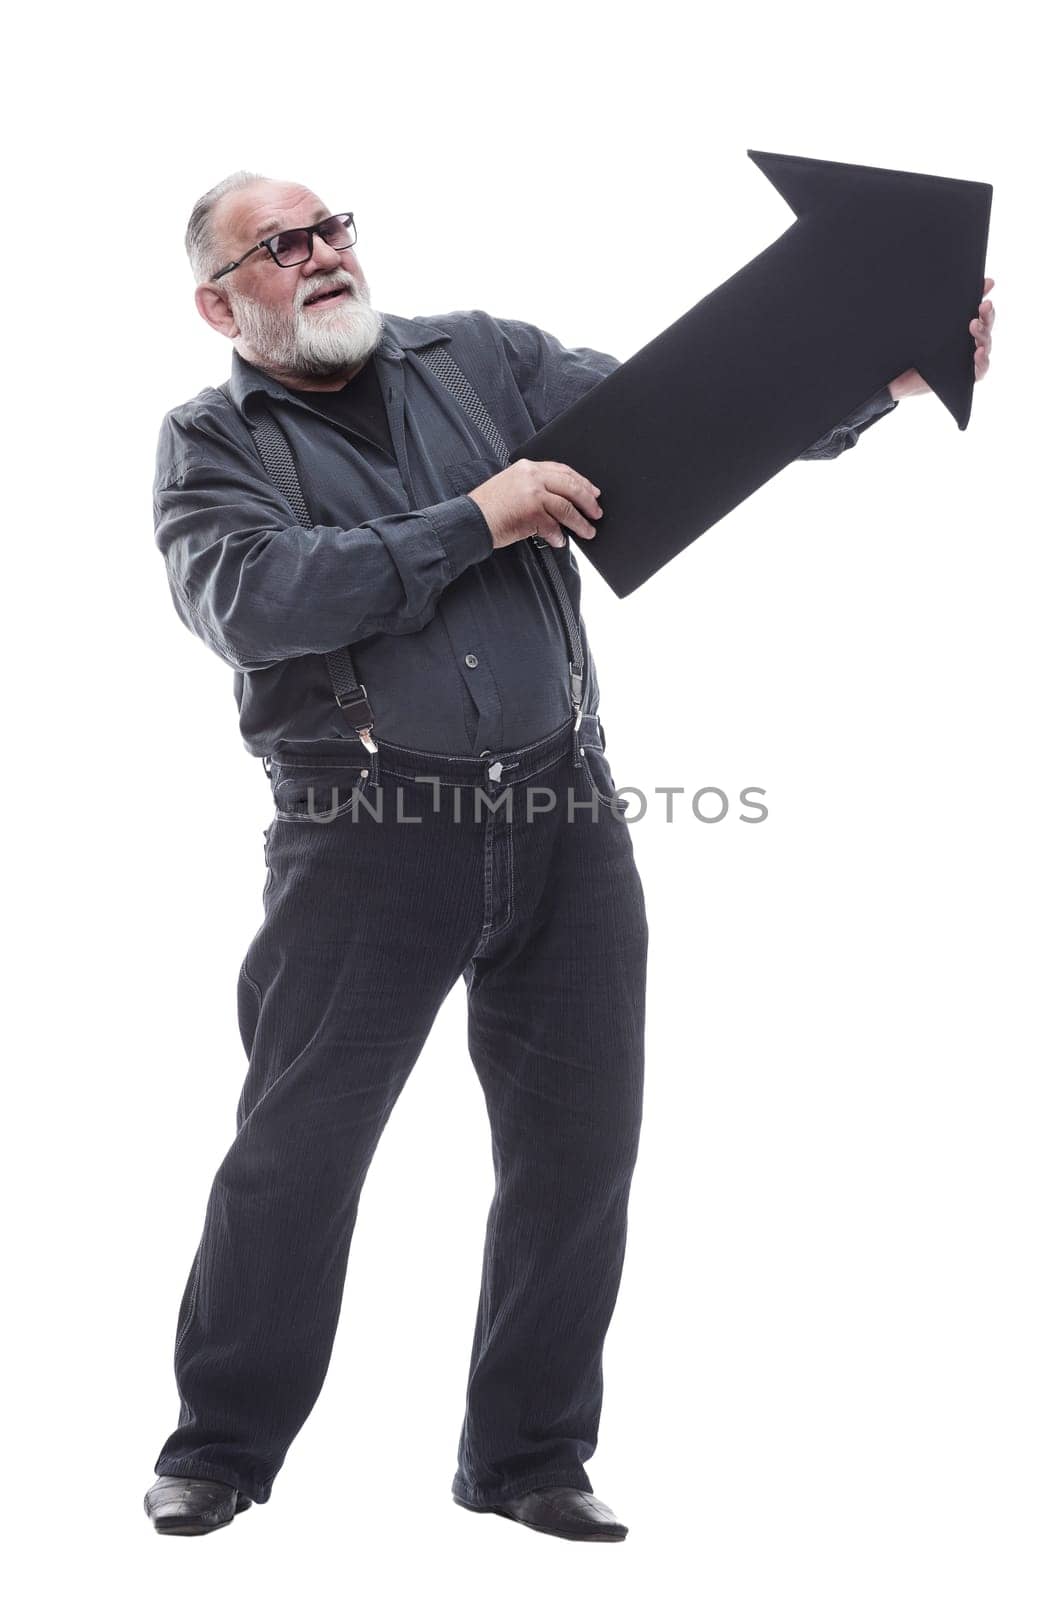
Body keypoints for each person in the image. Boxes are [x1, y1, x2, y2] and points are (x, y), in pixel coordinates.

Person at [144, 171, 995, 1541]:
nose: (321, 256)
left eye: (333, 227)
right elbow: (255, 599)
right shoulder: (211, 441)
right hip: (365, 835)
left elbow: (689, 421)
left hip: (565, 810)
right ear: (220, 300)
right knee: (297, 1153)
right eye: (279, 245)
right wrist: (478, 516)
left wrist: (871, 376)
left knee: (577, 1148)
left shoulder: (480, 356)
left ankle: (528, 1454)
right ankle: (222, 1447)